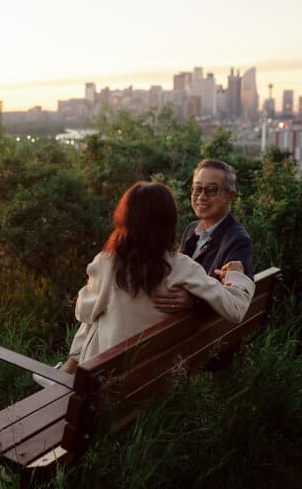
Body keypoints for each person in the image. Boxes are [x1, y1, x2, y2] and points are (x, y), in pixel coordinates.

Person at [56, 181, 255, 376]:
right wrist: (236, 276)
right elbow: (236, 308)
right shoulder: (182, 267)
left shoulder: (106, 262)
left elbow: (83, 313)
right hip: (155, 375)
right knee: (104, 309)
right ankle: (69, 368)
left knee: (99, 313)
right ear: (168, 221)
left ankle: (69, 369)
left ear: (125, 219)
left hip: (106, 377)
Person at [152, 159, 253, 313]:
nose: (201, 196)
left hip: (207, 332)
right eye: (197, 189)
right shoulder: (192, 229)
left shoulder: (237, 240)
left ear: (230, 196)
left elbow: (235, 299)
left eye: (211, 190)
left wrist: (196, 302)